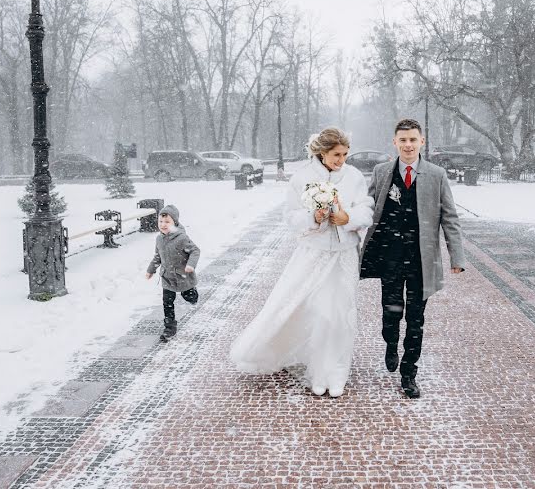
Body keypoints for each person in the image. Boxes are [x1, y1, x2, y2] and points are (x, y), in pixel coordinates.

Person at [230, 127, 374, 397]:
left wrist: (349, 217)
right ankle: (319, 371)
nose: (340, 160)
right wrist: (314, 218)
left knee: (339, 316)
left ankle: (336, 371)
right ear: (322, 152)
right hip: (313, 254)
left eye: (344, 154)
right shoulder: (302, 178)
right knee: (318, 312)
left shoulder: (354, 177)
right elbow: (291, 218)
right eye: (335, 155)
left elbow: (366, 209)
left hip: (343, 255)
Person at [360, 118, 466, 398]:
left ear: (422, 142)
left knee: (416, 319)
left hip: (422, 259)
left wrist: (457, 256)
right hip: (390, 257)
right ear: (395, 142)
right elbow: (367, 207)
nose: (408, 145)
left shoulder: (436, 175)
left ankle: (409, 372)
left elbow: (450, 218)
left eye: (413, 140)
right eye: (403, 140)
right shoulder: (382, 171)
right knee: (390, 312)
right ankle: (391, 342)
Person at [145, 205, 201, 342]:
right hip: (167, 278)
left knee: (189, 297)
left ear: (174, 223)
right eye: (160, 222)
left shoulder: (182, 238)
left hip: (183, 276)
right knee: (167, 302)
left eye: (167, 222)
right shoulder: (159, 239)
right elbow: (157, 256)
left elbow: (195, 251)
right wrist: (150, 270)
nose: (163, 225)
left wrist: (190, 265)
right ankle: (169, 327)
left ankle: (192, 294)